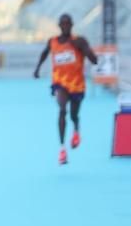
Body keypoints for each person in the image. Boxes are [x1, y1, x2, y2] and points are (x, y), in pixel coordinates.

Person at [33, 13, 98, 165]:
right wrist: (37, 68)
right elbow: (44, 54)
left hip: (77, 85)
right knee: (62, 110)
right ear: (59, 25)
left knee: (74, 115)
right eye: (63, 23)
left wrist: (85, 51)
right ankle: (62, 149)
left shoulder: (79, 41)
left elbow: (94, 60)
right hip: (60, 83)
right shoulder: (53, 41)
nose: (66, 26)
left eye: (68, 23)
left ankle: (76, 130)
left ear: (72, 25)